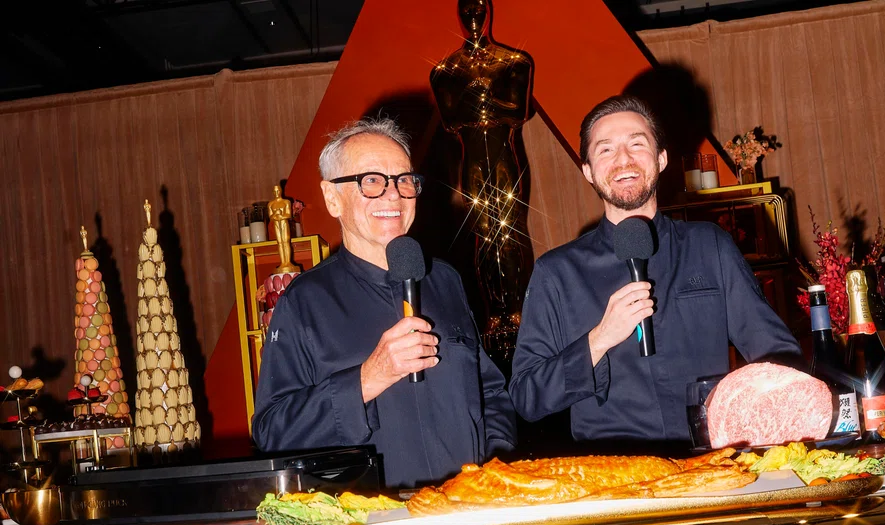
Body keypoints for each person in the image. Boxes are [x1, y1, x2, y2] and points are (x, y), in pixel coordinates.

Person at [509, 95, 801, 443]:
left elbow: (777, 358)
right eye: (605, 150)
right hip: (614, 479)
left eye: (637, 144)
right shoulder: (556, 272)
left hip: (713, 464)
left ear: (661, 159)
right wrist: (598, 340)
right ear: (587, 170)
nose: (623, 160)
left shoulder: (709, 246)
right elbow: (527, 397)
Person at [252, 117, 517, 487]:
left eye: (404, 180)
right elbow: (272, 431)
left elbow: (490, 393)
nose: (394, 195)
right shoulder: (303, 302)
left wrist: (495, 465)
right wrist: (365, 379)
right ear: (332, 198)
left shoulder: (444, 279)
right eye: (371, 181)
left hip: (467, 513)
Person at [429, 0, 535, 365]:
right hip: (471, 158)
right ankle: (495, 312)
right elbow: (450, 120)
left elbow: (519, 111)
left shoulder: (513, 62)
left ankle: (517, 309)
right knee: (483, 231)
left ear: (488, 9)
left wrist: (485, 102)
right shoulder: (446, 70)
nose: (473, 13)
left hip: (504, 154)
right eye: (466, 6)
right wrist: (478, 105)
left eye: (478, 5)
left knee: (509, 229)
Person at [267, 184, 298, 274]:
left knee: (286, 242)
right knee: (280, 243)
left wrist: (280, 214)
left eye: (278, 191)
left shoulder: (286, 202)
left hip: (284, 223)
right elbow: (270, 216)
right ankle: (282, 262)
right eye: (275, 191)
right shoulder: (271, 204)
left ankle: (287, 262)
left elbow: (288, 214)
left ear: (281, 191)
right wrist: (276, 214)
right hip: (277, 223)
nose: (276, 193)